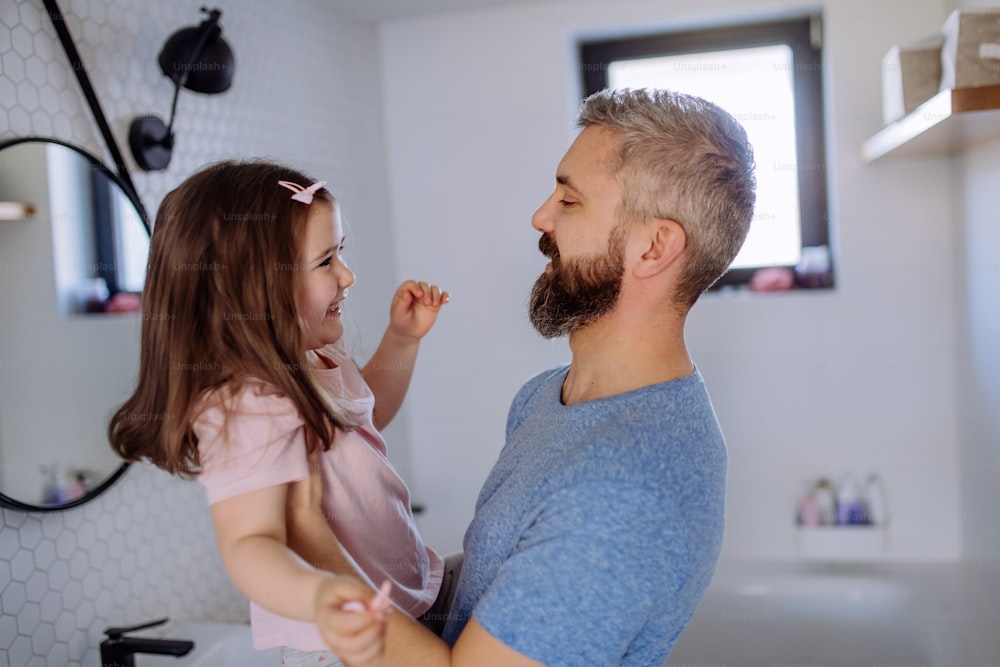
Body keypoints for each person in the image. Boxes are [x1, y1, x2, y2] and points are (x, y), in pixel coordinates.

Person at [305, 87, 756, 667]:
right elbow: (497, 580)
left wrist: (310, 544)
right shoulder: (547, 397)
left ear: (653, 248)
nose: (540, 216)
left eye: (569, 202)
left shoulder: (623, 495)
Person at [107, 160, 457, 667]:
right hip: (339, 641)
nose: (348, 275)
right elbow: (250, 542)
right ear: (255, 287)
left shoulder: (319, 357)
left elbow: (368, 412)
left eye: (341, 253)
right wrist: (319, 596)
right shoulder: (247, 402)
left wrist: (401, 340)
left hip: (408, 594)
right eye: (325, 262)